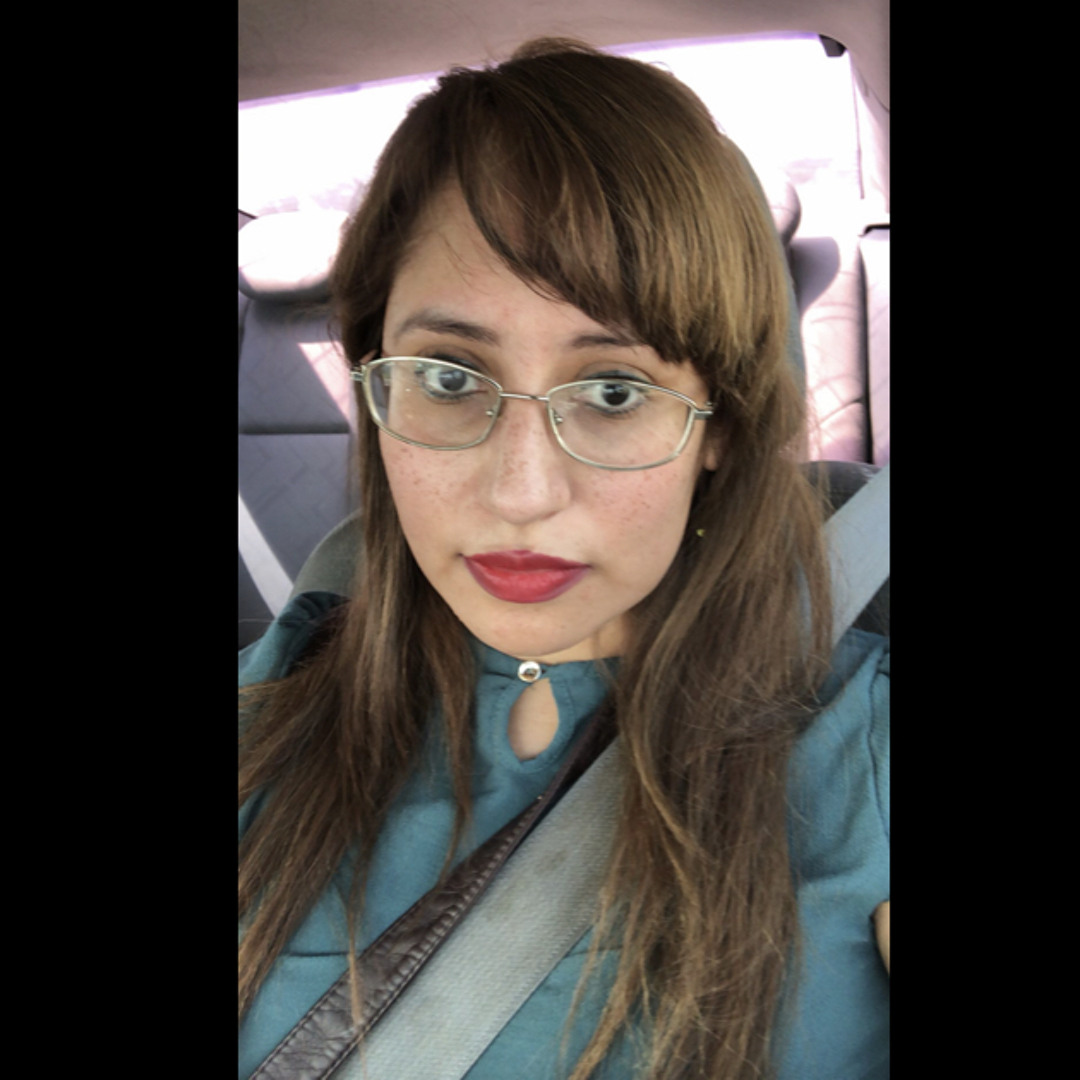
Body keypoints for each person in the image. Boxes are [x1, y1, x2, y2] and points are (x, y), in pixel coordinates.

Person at [239, 38, 889, 1080]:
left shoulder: (867, 751)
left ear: (719, 425)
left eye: (615, 392)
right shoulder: (265, 716)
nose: (522, 493)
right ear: (373, 385)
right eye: (449, 377)